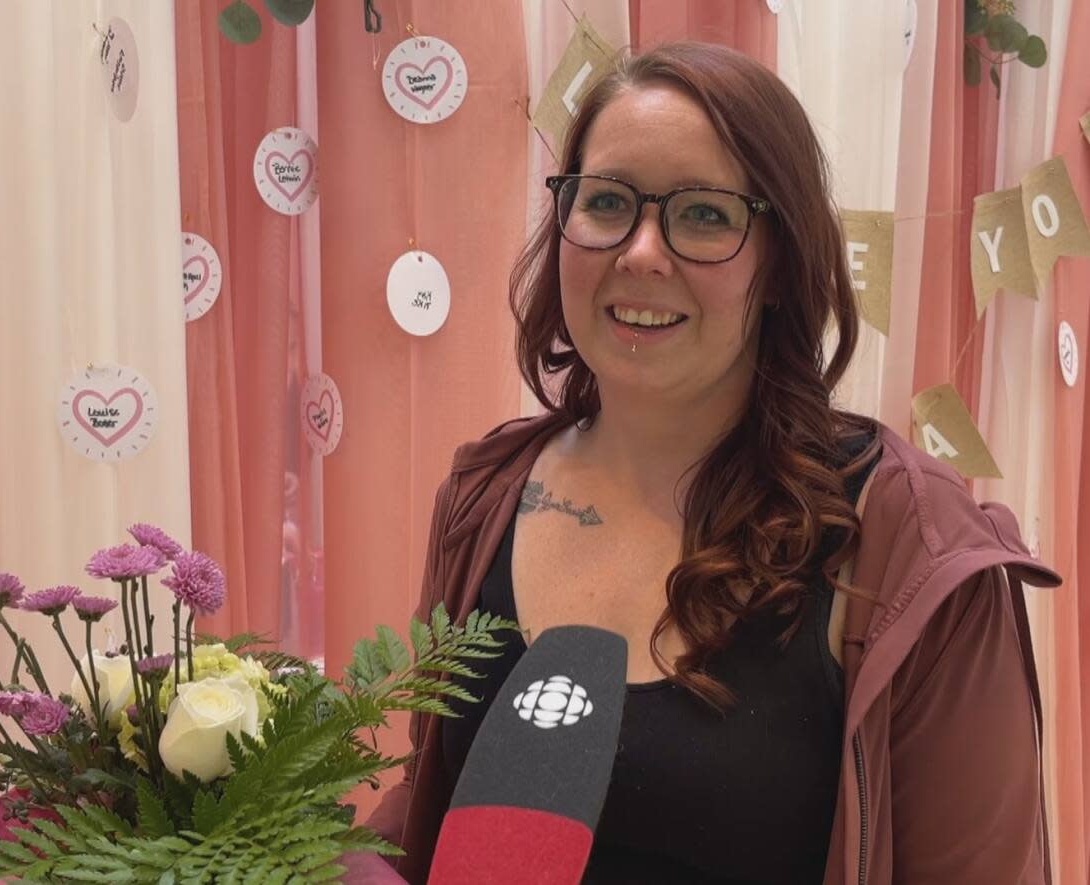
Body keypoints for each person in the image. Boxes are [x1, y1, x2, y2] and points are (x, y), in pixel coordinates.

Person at [365, 42, 1060, 884]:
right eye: (608, 201)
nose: (643, 252)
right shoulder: (486, 496)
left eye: (703, 214)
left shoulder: (911, 544)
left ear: (780, 262)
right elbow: (443, 803)